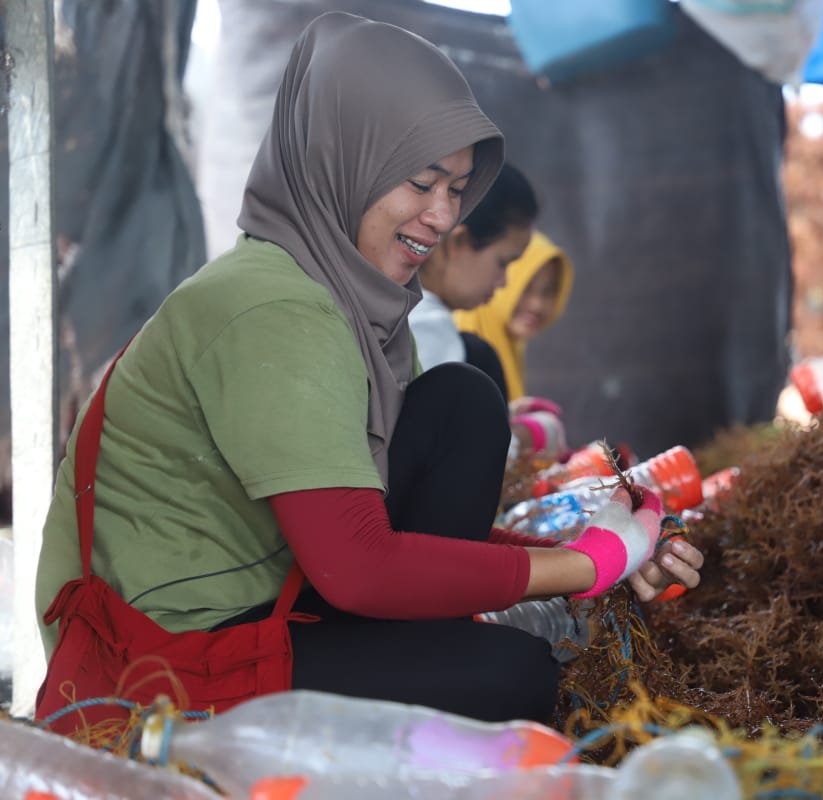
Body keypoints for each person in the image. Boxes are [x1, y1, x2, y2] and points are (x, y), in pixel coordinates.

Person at [34, 12, 704, 728]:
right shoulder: (273, 310)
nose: (443, 216)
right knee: (514, 680)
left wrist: (595, 559)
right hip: (163, 663)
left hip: (280, 599)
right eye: (421, 182)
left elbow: (376, 525)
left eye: (457, 188)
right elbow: (359, 564)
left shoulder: (357, 311)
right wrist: (586, 567)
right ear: (340, 158)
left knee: (459, 403)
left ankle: (415, 659)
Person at [408, 161, 537, 402]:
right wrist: (526, 434)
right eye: (503, 262)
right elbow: (442, 437)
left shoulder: (394, 307)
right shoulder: (429, 327)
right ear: (459, 244)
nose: (504, 282)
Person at [455, 230, 574, 405]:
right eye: (525, 287)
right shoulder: (460, 341)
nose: (537, 305)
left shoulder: (510, 347)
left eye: (548, 291)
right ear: (500, 279)